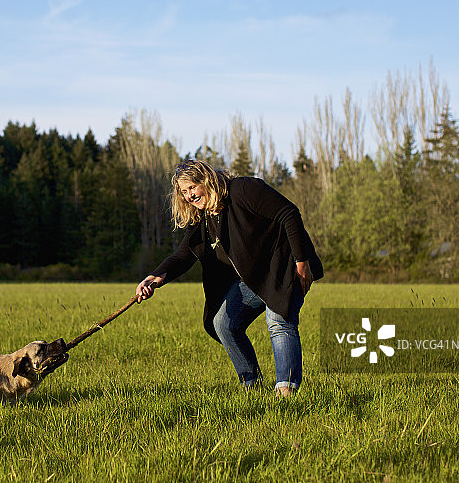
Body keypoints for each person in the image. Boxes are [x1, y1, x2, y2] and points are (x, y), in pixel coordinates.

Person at [135, 159, 323, 396]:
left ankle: (286, 393)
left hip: (283, 265)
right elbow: (184, 254)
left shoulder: (243, 190)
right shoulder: (202, 218)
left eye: (192, 187)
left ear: (207, 180)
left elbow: (289, 214)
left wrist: (301, 262)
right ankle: (251, 385)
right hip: (252, 278)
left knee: (278, 321)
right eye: (184, 192)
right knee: (223, 323)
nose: (189, 196)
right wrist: (155, 276)